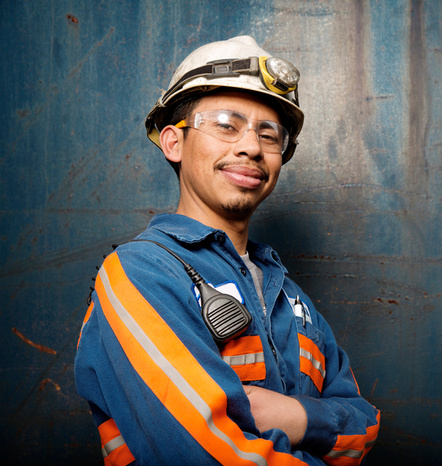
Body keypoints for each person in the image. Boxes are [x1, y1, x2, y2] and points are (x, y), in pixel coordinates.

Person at [74, 35, 380, 466]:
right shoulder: (140, 275)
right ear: (173, 143)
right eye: (225, 124)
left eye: (269, 134)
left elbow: (364, 429)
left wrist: (297, 416)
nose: (251, 147)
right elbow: (203, 456)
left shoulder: (291, 299)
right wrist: (326, 427)